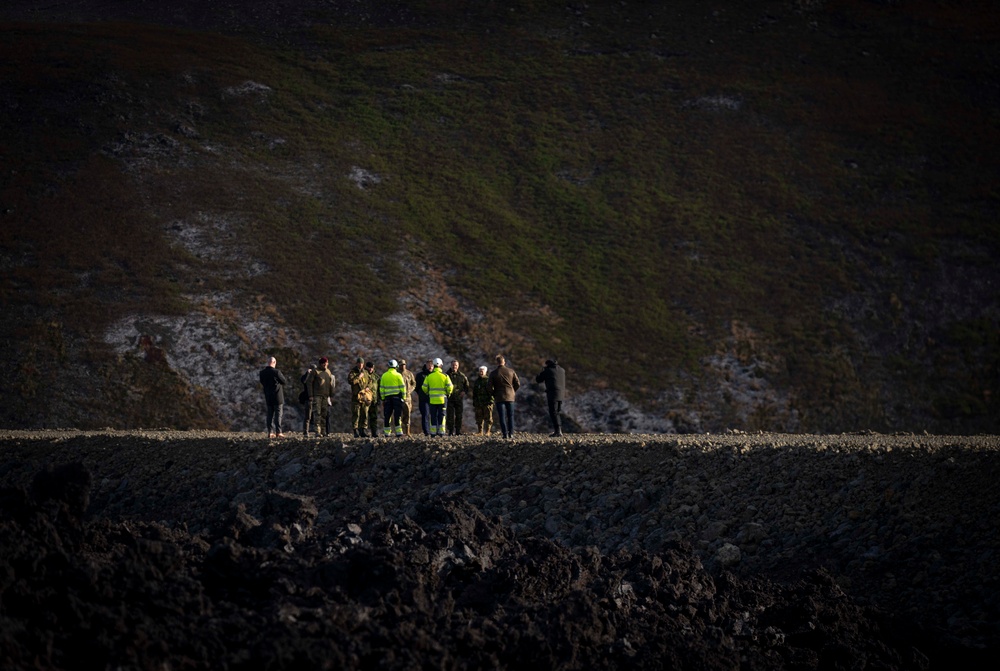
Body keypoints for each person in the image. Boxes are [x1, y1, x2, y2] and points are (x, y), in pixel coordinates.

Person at [488, 354, 520, 439]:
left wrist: (494, 394)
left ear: (497, 362)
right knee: (510, 416)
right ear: (504, 362)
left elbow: (489, 387)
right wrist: (513, 391)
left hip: (499, 396)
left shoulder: (493, 373)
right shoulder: (511, 371)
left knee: (502, 416)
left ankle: (505, 434)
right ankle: (511, 433)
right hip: (510, 396)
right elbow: (517, 383)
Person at [421, 358, 453, 436]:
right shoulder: (445, 376)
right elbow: (450, 387)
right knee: (442, 415)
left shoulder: (429, 376)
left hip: (432, 400)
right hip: (442, 400)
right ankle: (441, 432)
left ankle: (433, 432)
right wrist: (448, 393)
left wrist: (428, 392)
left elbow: (424, 387)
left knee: (433, 416)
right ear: (441, 365)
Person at [304, 357, 336, 437]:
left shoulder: (328, 372)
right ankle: (317, 432)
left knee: (324, 414)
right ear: (321, 364)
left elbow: (330, 384)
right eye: (324, 363)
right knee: (317, 414)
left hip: (325, 396)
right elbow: (309, 383)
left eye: (326, 363)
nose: (325, 365)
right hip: (317, 396)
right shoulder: (315, 372)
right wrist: (310, 395)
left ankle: (323, 431)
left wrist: (331, 394)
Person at [535, 358, 567, 437]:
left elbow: (538, 380)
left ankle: (558, 431)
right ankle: (559, 430)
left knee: (553, 412)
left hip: (553, 394)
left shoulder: (548, 371)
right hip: (561, 394)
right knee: (557, 412)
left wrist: (540, 372)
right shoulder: (562, 370)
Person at [259, 356, 288, 438]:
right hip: (277, 396)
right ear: (274, 362)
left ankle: (270, 432)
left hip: (268, 396)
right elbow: (284, 381)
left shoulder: (262, 373)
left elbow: (262, 382)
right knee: (278, 415)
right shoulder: (276, 372)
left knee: (269, 415)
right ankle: (278, 432)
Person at [379, 360, 407, 437]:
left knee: (387, 415)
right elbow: (403, 387)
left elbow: (381, 389)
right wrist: (403, 397)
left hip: (387, 399)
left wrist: (383, 398)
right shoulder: (398, 375)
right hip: (397, 398)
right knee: (397, 415)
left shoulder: (384, 376)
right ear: (396, 366)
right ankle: (398, 432)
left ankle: (387, 432)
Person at [347, 357, 371, 437]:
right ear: (357, 363)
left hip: (364, 397)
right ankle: (355, 431)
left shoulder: (365, 372)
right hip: (356, 397)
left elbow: (370, 381)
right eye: (359, 363)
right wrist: (359, 377)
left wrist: (368, 387)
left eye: (361, 363)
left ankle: (363, 430)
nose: (360, 365)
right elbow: (351, 381)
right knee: (356, 414)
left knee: (364, 414)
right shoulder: (353, 372)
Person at [445, 360, 471, 435]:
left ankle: (458, 431)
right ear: (451, 365)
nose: (454, 366)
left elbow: (467, 386)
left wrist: (464, 392)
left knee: (459, 415)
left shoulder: (462, 376)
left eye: (456, 365)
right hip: (450, 398)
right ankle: (450, 431)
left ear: (458, 366)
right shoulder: (446, 375)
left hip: (459, 399)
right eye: (453, 365)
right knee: (450, 416)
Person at [472, 365, 494, 436]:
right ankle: (480, 431)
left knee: (488, 418)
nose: (481, 372)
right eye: (480, 371)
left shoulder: (488, 380)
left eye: (482, 371)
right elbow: (474, 392)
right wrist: (474, 401)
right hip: (478, 402)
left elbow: (492, 391)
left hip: (487, 402)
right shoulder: (477, 381)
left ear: (485, 372)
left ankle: (488, 431)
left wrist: (491, 400)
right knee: (479, 418)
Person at [414, 359, 433, 436]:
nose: (430, 367)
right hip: (424, 399)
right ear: (426, 365)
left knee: (434, 415)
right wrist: (421, 393)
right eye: (428, 365)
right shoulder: (420, 375)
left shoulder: (436, 375)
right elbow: (416, 387)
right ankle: (426, 431)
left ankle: (434, 431)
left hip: (434, 398)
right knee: (425, 414)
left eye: (431, 365)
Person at [398, 359, 416, 436]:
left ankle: (407, 431)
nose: (403, 366)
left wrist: (410, 390)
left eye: (404, 364)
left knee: (407, 414)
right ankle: (399, 431)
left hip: (407, 397)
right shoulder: (396, 374)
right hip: (398, 396)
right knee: (398, 414)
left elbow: (414, 383)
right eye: (401, 365)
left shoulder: (409, 374)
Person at [365, 360, 380, 437]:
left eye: (372, 367)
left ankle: (374, 432)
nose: (371, 369)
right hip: (365, 400)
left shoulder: (376, 377)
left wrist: (379, 399)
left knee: (374, 417)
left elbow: (379, 389)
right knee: (364, 417)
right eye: (369, 367)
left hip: (374, 400)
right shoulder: (364, 375)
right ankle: (363, 432)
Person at [299, 365, 315, 436]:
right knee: (307, 416)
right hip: (308, 399)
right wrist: (307, 374)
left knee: (316, 416)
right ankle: (306, 432)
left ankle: (317, 431)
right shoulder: (306, 377)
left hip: (315, 398)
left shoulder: (316, 377)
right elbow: (304, 381)